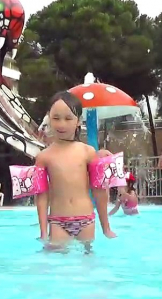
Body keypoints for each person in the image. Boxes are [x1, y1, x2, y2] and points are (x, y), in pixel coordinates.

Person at [35, 91, 116, 248]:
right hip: (58, 221)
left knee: (87, 265)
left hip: (86, 219)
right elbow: (42, 196)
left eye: (68, 118)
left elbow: (99, 191)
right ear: (49, 118)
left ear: (78, 121)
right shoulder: (43, 157)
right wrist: (43, 231)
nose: (61, 124)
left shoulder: (88, 152)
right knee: (56, 263)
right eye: (56, 118)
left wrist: (106, 228)